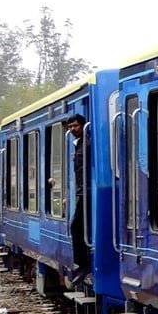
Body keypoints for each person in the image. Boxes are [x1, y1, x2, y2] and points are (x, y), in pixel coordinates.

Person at [66, 114, 90, 283]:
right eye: (70, 127)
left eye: (75, 125)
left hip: (87, 191)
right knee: (77, 226)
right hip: (83, 190)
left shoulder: (88, 143)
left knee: (76, 226)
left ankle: (82, 264)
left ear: (83, 125)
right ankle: (81, 264)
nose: (73, 129)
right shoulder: (79, 144)